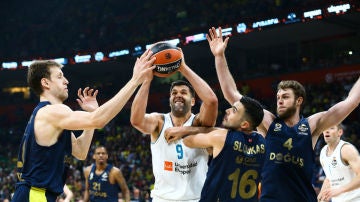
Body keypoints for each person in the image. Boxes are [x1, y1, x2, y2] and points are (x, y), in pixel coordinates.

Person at [205, 26, 360, 201]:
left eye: (285, 97)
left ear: (299, 101)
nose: (280, 100)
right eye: (278, 96)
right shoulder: (268, 121)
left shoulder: (311, 125)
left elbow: (352, 101)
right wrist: (219, 56)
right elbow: (231, 94)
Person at [12, 49, 156, 202]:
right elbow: (99, 120)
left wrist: (93, 116)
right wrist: (135, 81)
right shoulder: (51, 111)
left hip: (35, 194)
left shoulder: (49, 116)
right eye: (60, 76)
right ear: (45, 82)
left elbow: (81, 151)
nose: (66, 81)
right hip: (35, 195)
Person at [130, 48, 218, 201]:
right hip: (163, 199)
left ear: (192, 101)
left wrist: (183, 67)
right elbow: (136, 120)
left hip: (197, 198)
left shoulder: (199, 122)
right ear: (170, 100)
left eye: (183, 92)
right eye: (174, 93)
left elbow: (211, 101)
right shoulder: (159, 121)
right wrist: (146, 81)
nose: (178, 95)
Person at [317, 124, 360, 202]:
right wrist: (322, 195)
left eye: (331, 128)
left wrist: (341, 190)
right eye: (325, 128)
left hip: (355, 199)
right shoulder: (323, 152)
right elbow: (329, 177)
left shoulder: (346, 149)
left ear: (339, 132)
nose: (327, 131)